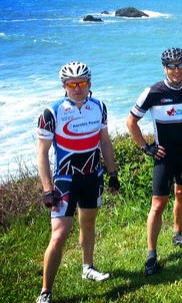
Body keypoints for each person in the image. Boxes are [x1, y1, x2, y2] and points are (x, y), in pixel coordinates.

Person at [36, 62, 120, 303]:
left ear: (89, 84)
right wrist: (47, 190)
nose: (77, 88)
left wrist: (113, 174)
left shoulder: (99, 107)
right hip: (65, 180)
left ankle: (88, 267)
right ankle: (46, 292)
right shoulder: (51, 113)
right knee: (60, 234)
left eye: (82, 83)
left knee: (88, 225)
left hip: (93, 176)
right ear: (64, 86)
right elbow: (42, 153)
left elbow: (104, 142)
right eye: (71, 84)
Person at [126, 48, 182, 275]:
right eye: (172, 66)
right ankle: (151, 254)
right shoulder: (153, 92)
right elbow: (131, 122)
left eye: (181, 66)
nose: (177, 70)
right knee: (158, 204)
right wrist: (146, 147)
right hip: (164, 156)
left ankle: (178, 234)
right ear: (164, 68)